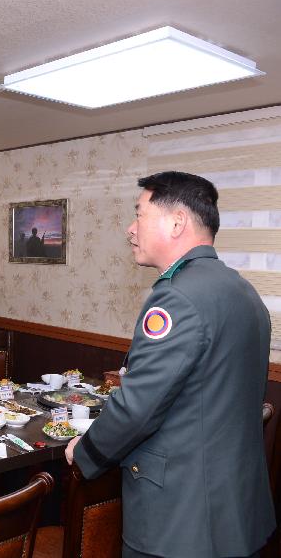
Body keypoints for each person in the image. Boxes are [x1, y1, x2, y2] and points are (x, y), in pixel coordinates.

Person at [65, 171, 274, 558]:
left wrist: (86, 451)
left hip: (180, 520)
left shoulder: (176, 298)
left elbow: (137, 409)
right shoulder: (245, 292)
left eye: (139, 214)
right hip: (235, 512)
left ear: (177, 221)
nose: (130, 229)